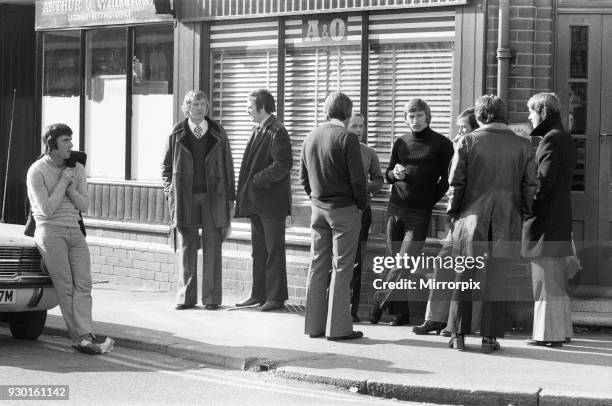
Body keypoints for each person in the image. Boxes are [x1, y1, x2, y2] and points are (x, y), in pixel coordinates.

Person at [446, 95, 537, 353]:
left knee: (463, 276)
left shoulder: (467, 141)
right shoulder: (523, 145)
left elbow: (456, 184)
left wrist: (452, 213)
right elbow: (530, 185)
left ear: (480, 116)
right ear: (502, 114)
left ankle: (458, 335)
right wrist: (526, 213)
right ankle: (489, 338)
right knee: (497, 278)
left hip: (470, 219)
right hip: (507, 218)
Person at [27, 123, 114, 354]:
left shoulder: (77, 168)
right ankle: (81, 338)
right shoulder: (37, 171)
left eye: (70, 140)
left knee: (84, 283)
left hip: (74, 230)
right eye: (65, 140)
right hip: (50, 231)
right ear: (51, 144)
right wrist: (64, 182)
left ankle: (85, 335)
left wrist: (72, 187)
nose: (71, 145)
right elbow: (45, 209)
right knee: (65, 286)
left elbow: (84, 205)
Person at [380, 98, 454, 326]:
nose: (415, 120)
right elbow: (388, 174)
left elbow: (446, 180)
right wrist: (395, 174)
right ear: (405, 119)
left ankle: (378, 302)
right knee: (395, 261)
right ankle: (399, 313)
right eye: (411, 117)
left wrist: (429, 200)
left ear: (427, 117)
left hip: (419, 213)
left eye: (419, 116)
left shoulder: (442, 144)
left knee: (404, 262)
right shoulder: (400, 142)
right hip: (396, 209)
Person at [300, 92, 367, 340]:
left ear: (327, 110)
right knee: (342, 268)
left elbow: (303, 179)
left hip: (318, 209)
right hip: (344, 210)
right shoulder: (347, 138)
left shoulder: (310, 136)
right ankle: (338, 329)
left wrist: (315, 199)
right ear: (348, 114)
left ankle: (313, 326)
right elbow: (358, 180)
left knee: (318, 265)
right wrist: (361, 205)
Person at [162, 90, 235, 311]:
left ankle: (212, 299)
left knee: (213, 246)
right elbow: (166, 167)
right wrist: (169, 190)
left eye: (203, 104)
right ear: (187, 107)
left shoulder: (218, 132)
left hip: (214, 197)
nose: (200, 108)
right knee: (187, 246)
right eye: (195, 104)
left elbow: (229, 167)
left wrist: (231, 198)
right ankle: (186, 298)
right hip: (186, 197)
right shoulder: (176, 133)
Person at [413, 108, 478, 336]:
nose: (459, 131)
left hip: (472, 218)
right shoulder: (459, 146)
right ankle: (436, 318)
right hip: (456, 218)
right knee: (443, 262)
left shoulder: (474, 148)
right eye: (458, 126)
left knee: (466, 270)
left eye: (464, 127)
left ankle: (456, 324)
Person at [522, 93, 576, 347]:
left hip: (545, 219)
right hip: (559, 217)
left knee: (544, 280)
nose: (529, 117)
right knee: (556, 279)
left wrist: (526, 205)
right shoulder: (563, 137)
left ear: (543, 111)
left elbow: (543, 184)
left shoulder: (551, 139)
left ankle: (547, 334)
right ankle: (561, 330)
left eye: (532, 112)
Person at [235, 89, 292, 312]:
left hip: (271, 204)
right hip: (258, 203)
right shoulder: (260, 129)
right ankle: (258, 294)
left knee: (273, 250)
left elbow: (283, 165)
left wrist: (258, 180)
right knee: (259, 251)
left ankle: (276, 297)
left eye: (250, 107)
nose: (247, 111)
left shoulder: (277, 131)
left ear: (262, 107)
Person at [346, 112, 384, 322]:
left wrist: (364, 188)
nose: (359, 130)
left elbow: (379, 179)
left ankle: (352, 310)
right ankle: (334, 306)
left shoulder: (369, 153)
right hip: (341, 211)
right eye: (354, 126)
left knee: (357, 262)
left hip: (362, 213)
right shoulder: (339, 149)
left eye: (361, 126)